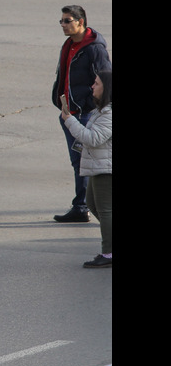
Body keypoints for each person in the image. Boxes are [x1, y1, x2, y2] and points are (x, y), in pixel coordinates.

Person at [51, 5, 111, 223]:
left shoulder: (94, 48)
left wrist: (88, 105)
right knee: (79, 161)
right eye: (62, 21)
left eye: (67, 21)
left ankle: (82, 206)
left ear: (80, 21)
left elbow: (105, 78)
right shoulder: (70, 44)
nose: (63, 25)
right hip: (70, 113)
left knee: (85, 162)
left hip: (83, 113)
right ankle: (81, 204)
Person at [61, 71, 112, 267]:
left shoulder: (109, 114)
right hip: (97, 166)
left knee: (105, 210)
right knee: (92, 204)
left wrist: (69, 120)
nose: (92, 86)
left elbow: (93, 138)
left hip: (105, 169)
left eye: (96, 83)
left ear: (106, 88)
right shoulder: (101, 111)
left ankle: (108, 254)